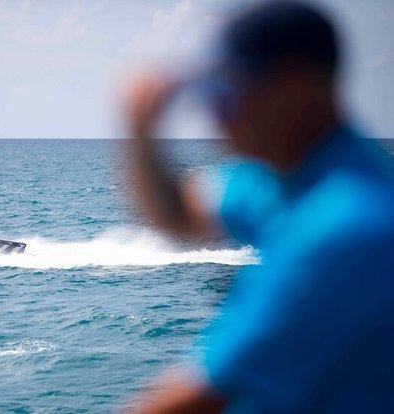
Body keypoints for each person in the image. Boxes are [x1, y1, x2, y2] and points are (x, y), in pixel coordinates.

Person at [121, 1, 394, 413]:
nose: (215, 117)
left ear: (295, 85)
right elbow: (177, 215)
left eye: (227, 92)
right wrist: (141, 130)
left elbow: (193, 400)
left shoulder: (345, 229)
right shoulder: (279, 179)